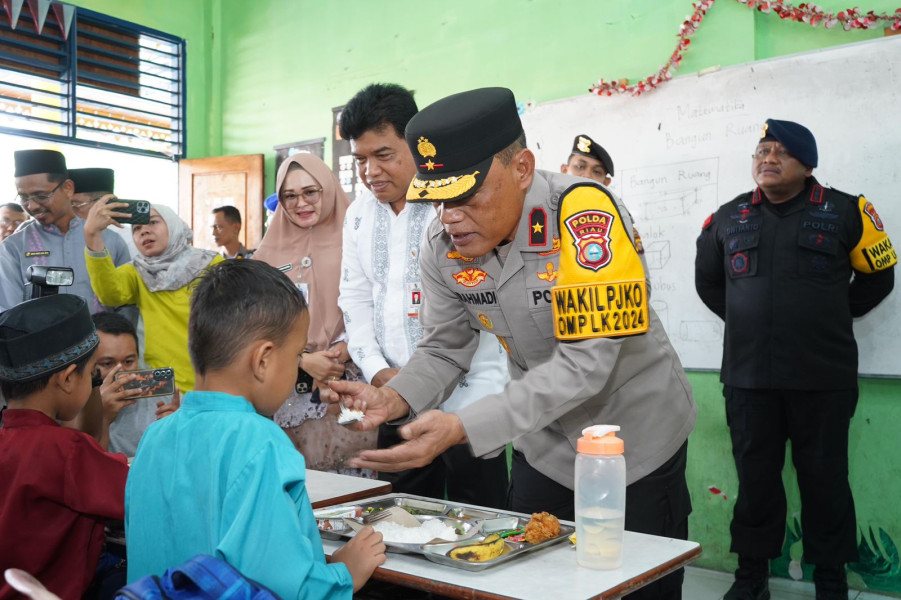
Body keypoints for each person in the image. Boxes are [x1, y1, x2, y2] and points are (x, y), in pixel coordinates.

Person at [331, 87, 697, 600]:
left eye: (464, 196)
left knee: (633, 585)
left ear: (522, 168)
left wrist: (462, 426)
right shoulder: (445, 247)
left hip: (632, 439)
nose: (448, 216)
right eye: (435, 198)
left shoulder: (586, 217)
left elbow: (586, 364)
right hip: (542, 441)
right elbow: (443, 348)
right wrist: (393, 398)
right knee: (527, 582)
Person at [695, 119, 897, 600]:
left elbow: (880, 276)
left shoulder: (849, 210)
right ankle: (751, 579)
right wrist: (753, 323)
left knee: (826, 483)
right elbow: (709, 283)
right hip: (749, 378)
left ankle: (831, 581)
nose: (767, 158)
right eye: (761, 150)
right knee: (755, 483)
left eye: (780, 151)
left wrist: (827, 316)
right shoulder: (727, 217)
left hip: (822, 377)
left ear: (808, 164)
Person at [125, 259, 386, 598]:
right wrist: (343, 573)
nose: (296, 371)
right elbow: (279, 585)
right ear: (263, 360)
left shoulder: (154, 436)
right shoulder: (260, 442)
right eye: (296, 357)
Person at [337, 82, 509, 507]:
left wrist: (471, 403)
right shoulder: (358, 214)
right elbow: (355, 298)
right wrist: (377, 372)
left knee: (481, 522)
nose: (370, 172)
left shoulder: (456, 203)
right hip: (393, 399)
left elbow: (486, 308)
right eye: (361, 159)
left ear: (417, 146)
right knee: (400, 521)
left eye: (384, 155)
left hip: (470, 402)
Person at [253, 153, 377, 476]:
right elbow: (253, 326)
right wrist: (302, 360)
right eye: (289, 196)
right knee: (299, 482)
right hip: (291, 388)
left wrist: (351, 345)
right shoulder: (266, 253)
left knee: (354, 479)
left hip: (353, 379)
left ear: (328, 188)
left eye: (311, 192)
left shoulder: (361, 237)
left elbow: (384, 302)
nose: (300, 203)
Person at [0, 294, 128, 600]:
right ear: (69, 378)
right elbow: (138, 493)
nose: (96, 382)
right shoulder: (66, 451)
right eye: (94, 372)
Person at [83, 200, 223, 393]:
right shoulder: (137, 271)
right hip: (160, 382)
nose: (144, 231)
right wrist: (93, 235)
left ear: (172, 224)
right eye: (137, 228)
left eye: (153, 222)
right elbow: (110, 294)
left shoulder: (210, 263)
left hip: (210, 376)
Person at [0, 150, 131, 311]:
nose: (32, 206)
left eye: (41, 196)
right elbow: (9, 312)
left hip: (101, 336)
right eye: (24, 198)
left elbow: (126, 305)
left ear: (68, 188)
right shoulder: (12, 248)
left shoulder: (110, 240)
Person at [91, 311, 176, 456]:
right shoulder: (75, 407)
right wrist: (101, 416)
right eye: (107, 363)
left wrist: (180, 429)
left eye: (128, 361)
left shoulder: (165, 400)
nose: (120, 371)